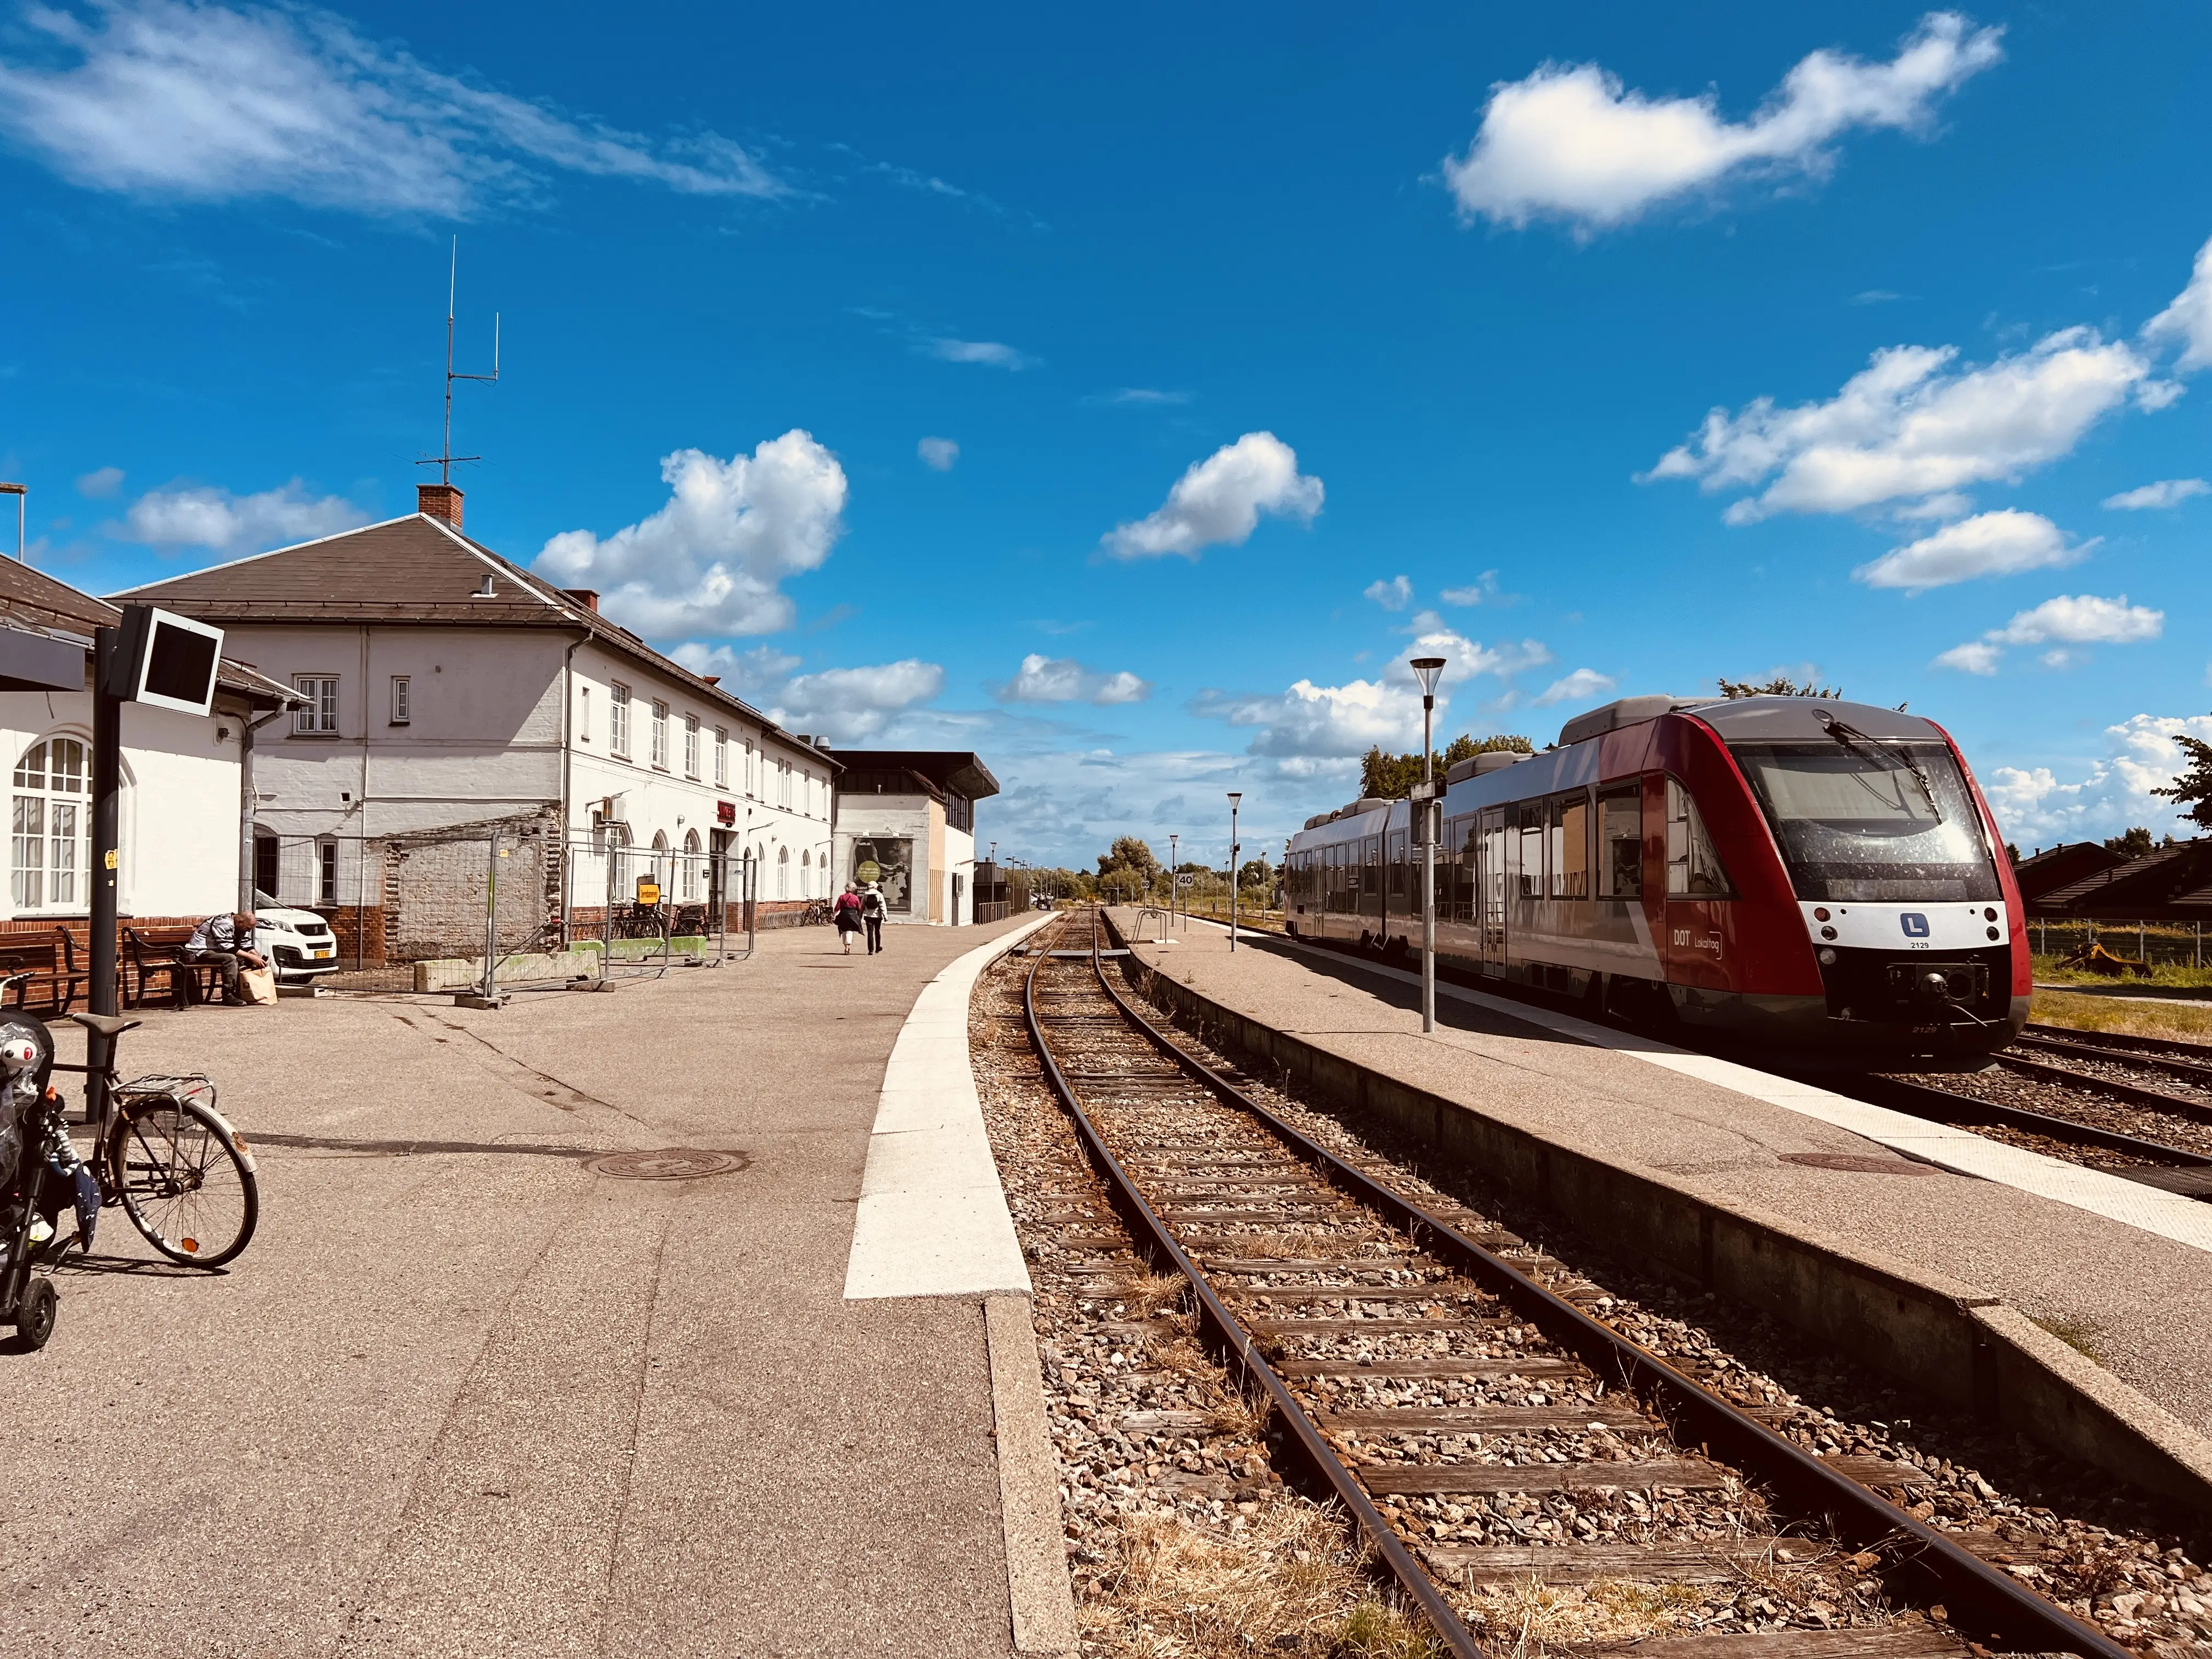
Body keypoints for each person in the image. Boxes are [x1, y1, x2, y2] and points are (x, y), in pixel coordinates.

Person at [184, 911, 267, 1006]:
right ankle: (228, 995)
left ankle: (244, 992)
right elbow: (228, 947)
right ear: (240, 922)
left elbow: (247, 946)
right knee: (230, 959)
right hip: (198, 952)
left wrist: (257, 957)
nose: (248, 931)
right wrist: (252, 957)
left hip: (216, 951)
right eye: (248, 928)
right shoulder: (222, 922)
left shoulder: (242, 927)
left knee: (245, 959)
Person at [833, 883, 864, 954]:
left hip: (843, 915)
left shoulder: (842, 897)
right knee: (850, 931)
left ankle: (846, 946)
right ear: (853, 889)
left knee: (844, 930)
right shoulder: (855, 898)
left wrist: (834, 914)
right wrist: (859, 915)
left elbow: (838, 907)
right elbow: (859, 908)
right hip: (852, 916)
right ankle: (847, 948)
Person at [860, 883, 886, 955]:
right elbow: (883, 906)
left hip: (868, 916)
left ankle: (870, 950)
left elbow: (862, 905)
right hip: (877, 916)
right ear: (875, 887)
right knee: (877, 932)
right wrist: (885, 916)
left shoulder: (865, 894)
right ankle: (878, 948)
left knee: (870, 932)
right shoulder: (879, 895)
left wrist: (860, 915)